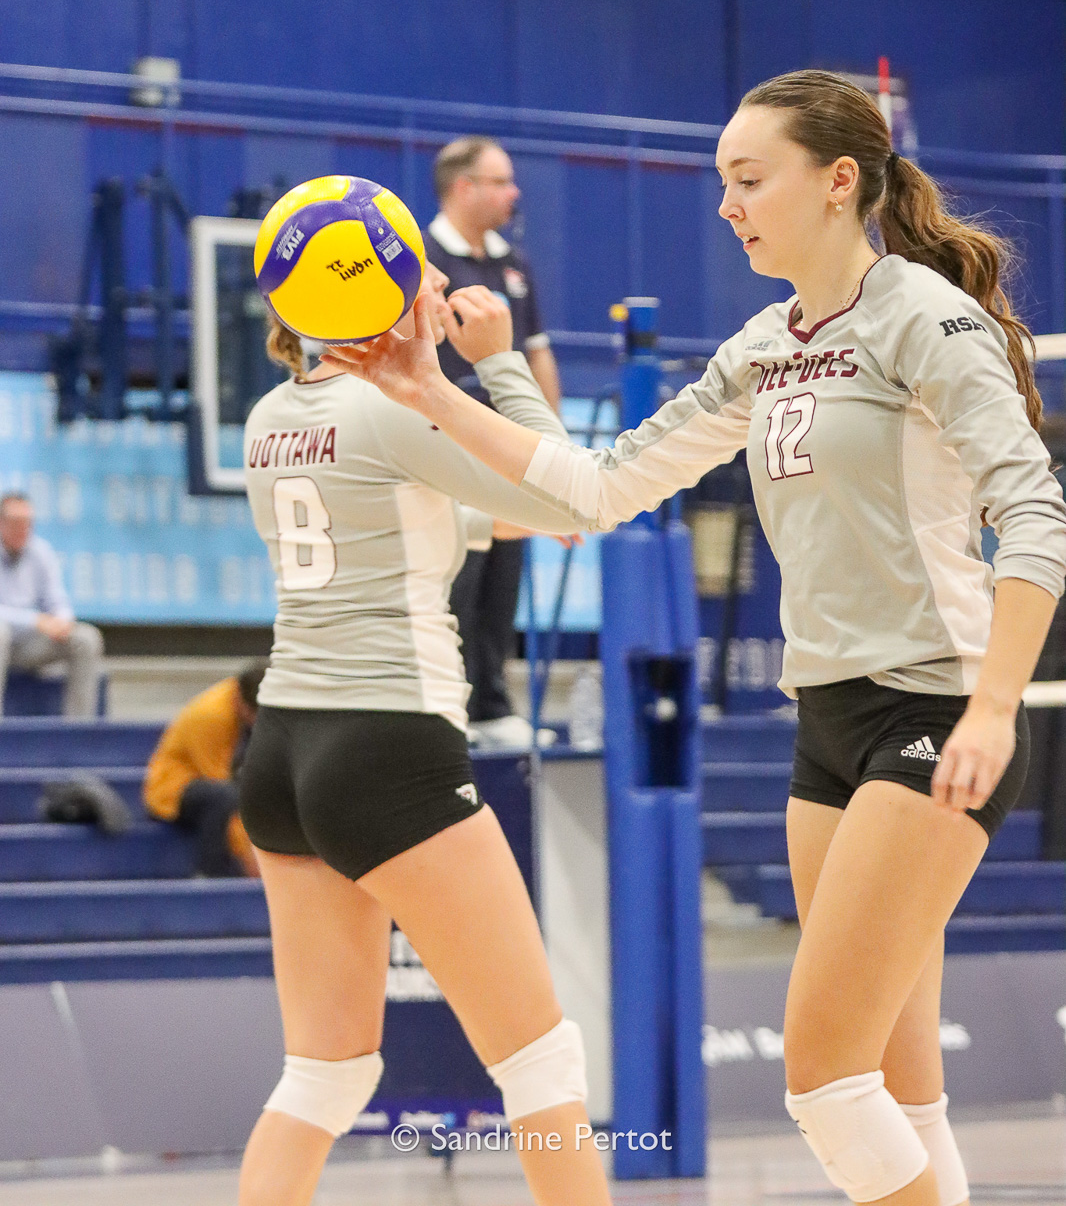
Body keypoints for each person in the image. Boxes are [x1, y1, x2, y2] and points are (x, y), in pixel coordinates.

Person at [334, 71, 1066, 1206]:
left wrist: (989, 705)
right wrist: (430, 386)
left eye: (747, 178)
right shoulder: (764, 343)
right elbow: (595, 489)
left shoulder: (926, 316)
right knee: (897, 1085)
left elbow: (1034, 514)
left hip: (936, 713)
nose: (727, 204)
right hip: (825, 723)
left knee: (822, 1081)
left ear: (836, 182)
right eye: (720, 182)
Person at [236, 267, 611, 1206]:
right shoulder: (391, 415)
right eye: (421, 268)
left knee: (326, 1074)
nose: (443, 282)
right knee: (539, 1060)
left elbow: (475, 515)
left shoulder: (271, 415)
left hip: (283, 749)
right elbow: (573, 502)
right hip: (389, 745)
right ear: (376, 295)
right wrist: (503, 363)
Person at [427, 137, 562, 746]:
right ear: (463, 188)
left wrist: (550, 447)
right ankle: (448, 705)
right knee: (459, 570)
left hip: (507, 445)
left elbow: (537, 355)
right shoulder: (421, 262)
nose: (514, 193)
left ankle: (491, 703)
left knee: (505, 573)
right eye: (502, 181)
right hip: (446, 448)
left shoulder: (516, 264)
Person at [143, 660, 265, 877]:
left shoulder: (253, 699)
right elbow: (222, 784)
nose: (259, 723)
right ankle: (209, 876)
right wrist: (249, 856)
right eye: (255, 717)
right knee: (222, 798)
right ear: (240, 702)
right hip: (174, 789)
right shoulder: (210, 716)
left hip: (224, 781)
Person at [0, 491, 104, 718]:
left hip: (28, 647)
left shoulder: (41, 552)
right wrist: (35, 620)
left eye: (28, 522)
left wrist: (62, 621)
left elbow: (58, 600)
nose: (22, 529)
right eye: (16, 522)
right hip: (4, 640)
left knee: (86, 638)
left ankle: (78, 731)